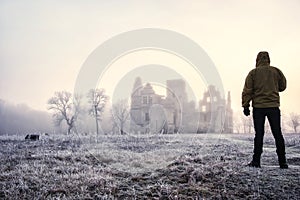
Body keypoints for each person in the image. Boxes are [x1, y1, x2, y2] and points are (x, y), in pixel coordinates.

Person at [242, 51, 288, 169]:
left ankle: (256, 161)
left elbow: (248, 90)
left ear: (257, 60)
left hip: (259, 108)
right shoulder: (276, 71)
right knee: (277, 134)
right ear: (268, 59)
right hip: (273, 107)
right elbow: (283, 86)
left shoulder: (253, 73)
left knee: (259, 135)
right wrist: (272, 87)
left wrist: (246, 106)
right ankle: (283, 162)